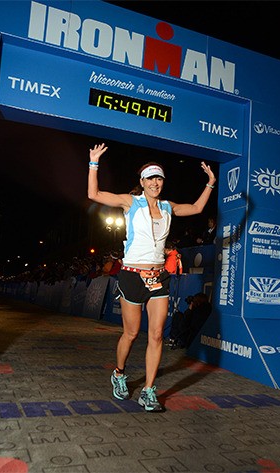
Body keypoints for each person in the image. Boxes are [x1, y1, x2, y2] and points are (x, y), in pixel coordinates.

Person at [87, 143, 216, 412]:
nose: (155, 183)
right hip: (132, 275)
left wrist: (210, 184)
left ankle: (148, 391)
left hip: (159, 277)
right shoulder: (130, 202)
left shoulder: (168, 207)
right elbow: (94, 193)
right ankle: (119, 373)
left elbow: (195, 208)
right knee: (132, 333)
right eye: (151, 178)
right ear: (142, 182)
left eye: (159, 178)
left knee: (156, 335)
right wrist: (94, 163)